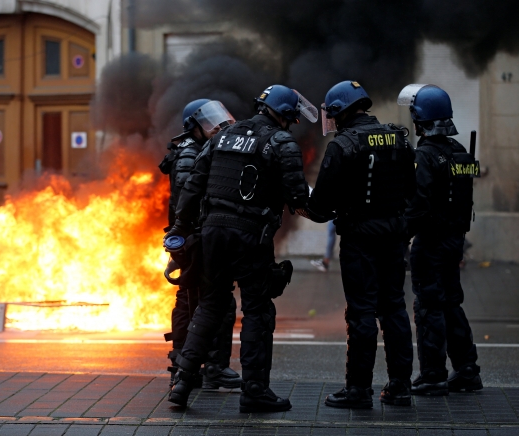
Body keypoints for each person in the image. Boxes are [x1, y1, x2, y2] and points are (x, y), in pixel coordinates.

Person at [165, 85, 318, 412]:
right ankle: (255, 393)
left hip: (213, 235)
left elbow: (193, 185)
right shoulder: (281, 142)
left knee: (209, 307)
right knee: (258, 313)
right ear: (287, 115)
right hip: (251, 237)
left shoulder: (224, 135)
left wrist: (180, 229)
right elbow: (299, 199)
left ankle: (181, 383)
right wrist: (330, 211)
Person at [305, 80, 416, 409]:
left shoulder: (343, 145)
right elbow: (413, 193)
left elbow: (321, 205)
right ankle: (400, 388)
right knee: (394, 308)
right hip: (395, 239)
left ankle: (358, 391)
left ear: (339, 111)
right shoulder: (398, 137)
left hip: (360, 240)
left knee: (362, 313)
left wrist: (305, 205)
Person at [400, 84, 483, 395]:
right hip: (454, 241)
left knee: (429, 307)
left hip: (431, 243)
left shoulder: (424, 155)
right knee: (451, 304)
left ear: (422, 120)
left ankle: (433, 374)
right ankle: (467, 370)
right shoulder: (461, 153)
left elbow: (417, 205)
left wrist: (399, 238)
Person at [159, 99, 241, 390]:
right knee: (208, 303)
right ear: (193, 126)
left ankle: (191, 367)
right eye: (209, 121)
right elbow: (189, 198)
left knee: (195, 302)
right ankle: (209, 367)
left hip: (198, 237)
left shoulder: (199, 149)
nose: (217, 126)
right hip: (196, 239)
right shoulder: (188, 155)